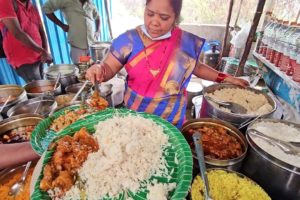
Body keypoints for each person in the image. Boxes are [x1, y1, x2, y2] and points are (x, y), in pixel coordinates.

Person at [85, 0, 249, 128]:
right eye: (150, 14)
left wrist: (225, 78)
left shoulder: (184, 42)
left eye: (164, 17)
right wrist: (99, 68)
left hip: (171, 117)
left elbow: (196, 67)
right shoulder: (128, 40)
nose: (154, 22)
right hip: (135, 115)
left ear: (175, 18)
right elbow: (109, 68)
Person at [0, 0, 52, 83]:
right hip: (24, 59)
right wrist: (42, 51)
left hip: (39, 55)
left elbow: (41, 30)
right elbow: (17, 32)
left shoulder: (31, 5)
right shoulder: (5, 2)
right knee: (39, 89)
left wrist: (45, 51)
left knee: (43, 85)